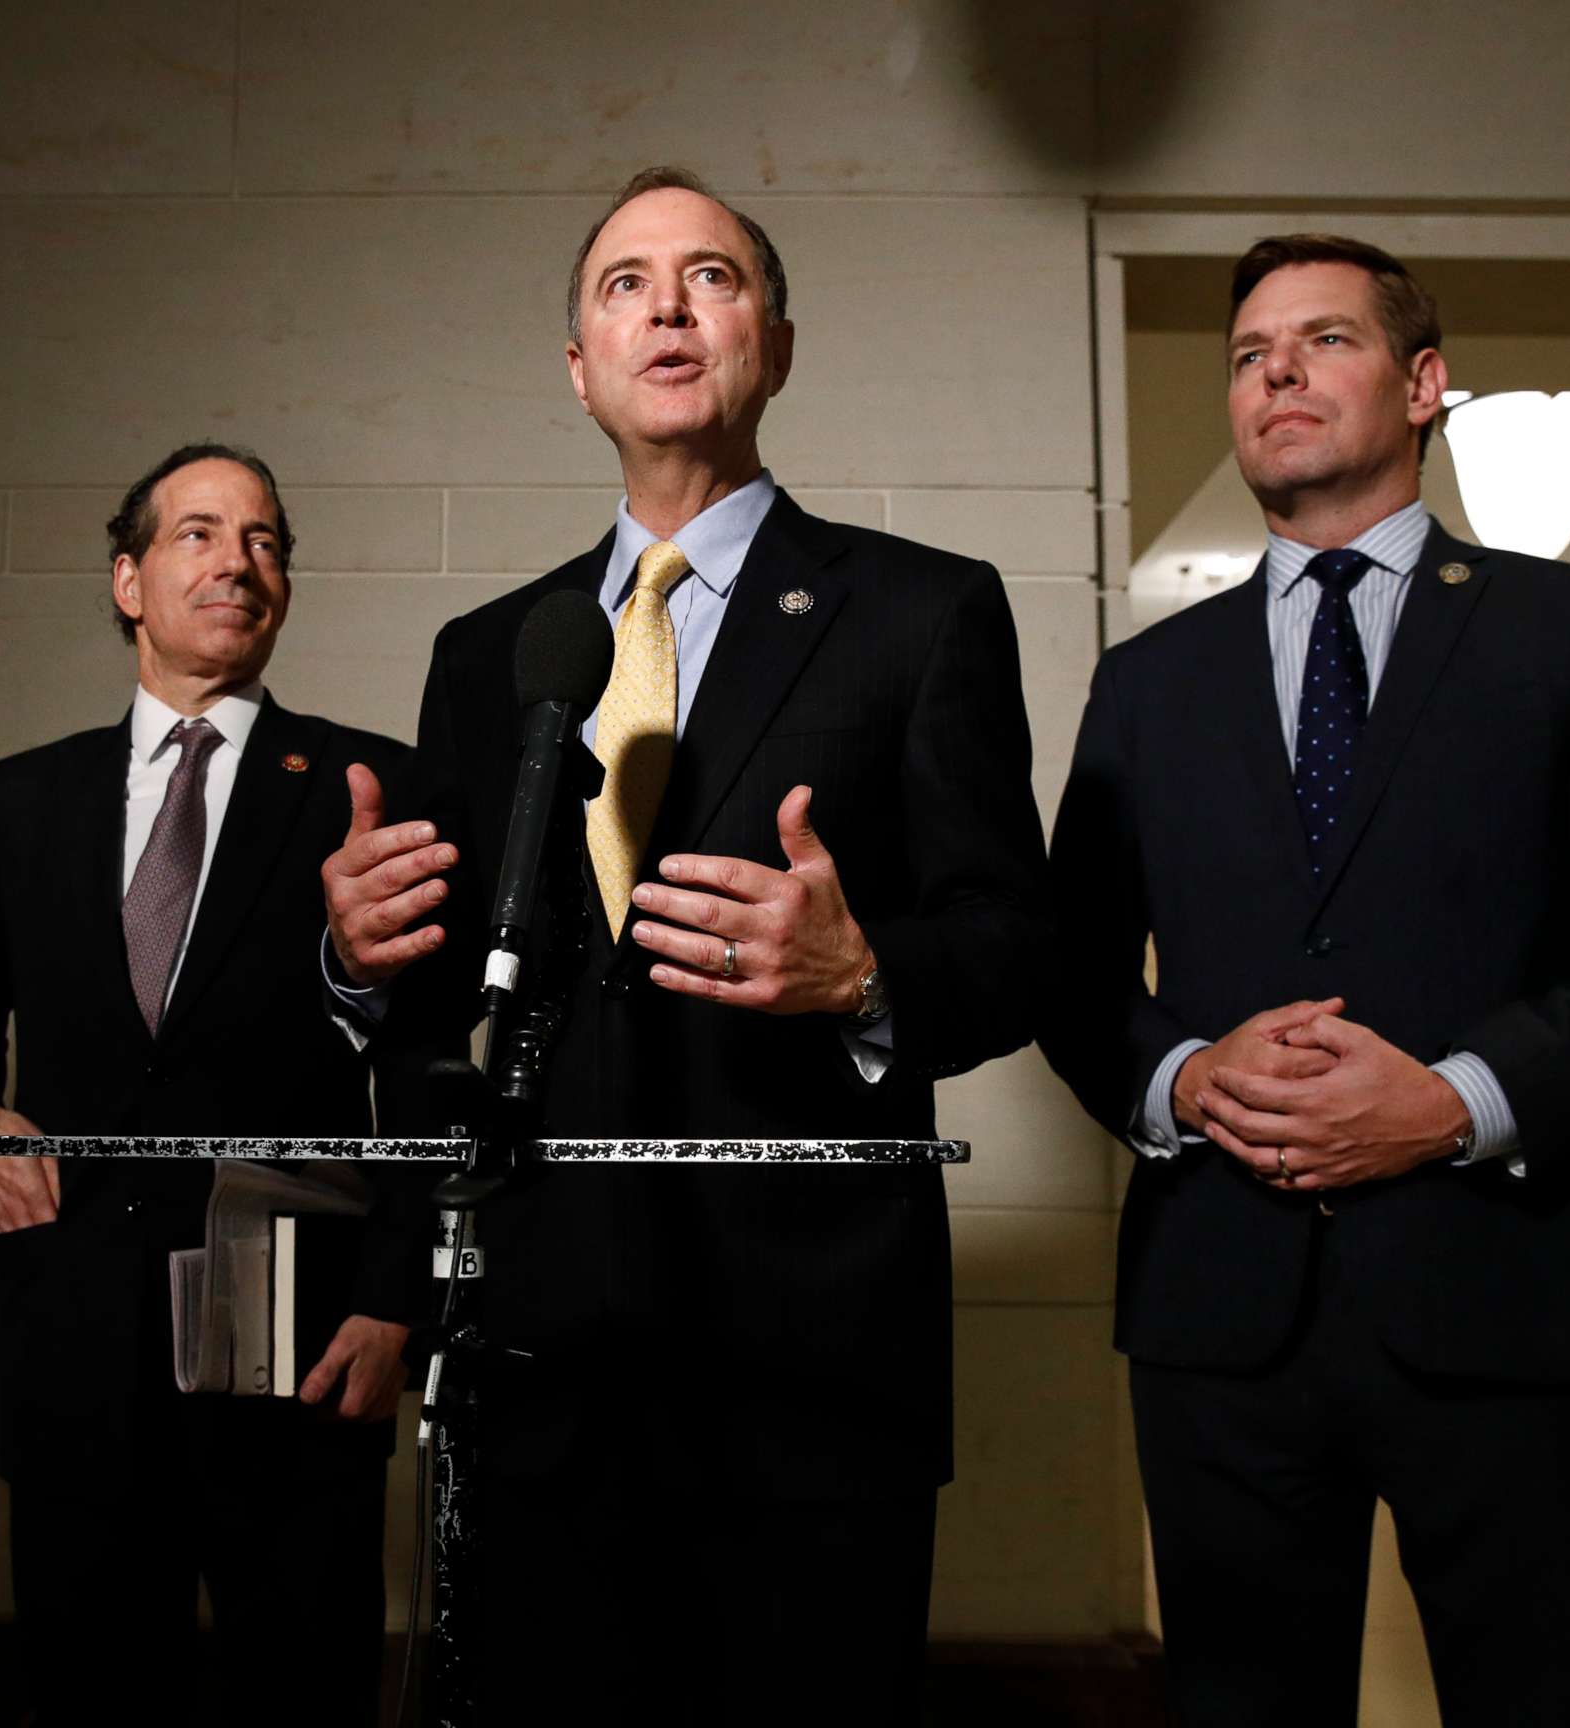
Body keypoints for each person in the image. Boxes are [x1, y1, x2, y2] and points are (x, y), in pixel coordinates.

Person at [320, 167, 1052, 1724]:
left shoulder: (922, 614)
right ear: (578, 369)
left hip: (808, 1368)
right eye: (622, 283)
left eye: (709, 277)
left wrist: (859, 977)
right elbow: (443, 1002)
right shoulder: (492, 654)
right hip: (537, 1354)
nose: (666, 304)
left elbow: (1014, 943)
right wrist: (359, 955)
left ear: (773, 345)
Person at [1039, 235, 1570, 1725]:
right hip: (1223, 1320)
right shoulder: (1148, 683)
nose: (1276, 371)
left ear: (1425, 385)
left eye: (1323, 340)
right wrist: (1184, 1077)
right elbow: (1073, 975)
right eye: (1247, 354)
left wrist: (1456, 1101)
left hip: (1516, 1309)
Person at [0, 444, 428, 1726]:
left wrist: (400, 1300)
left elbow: (425, 1064)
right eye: (197, 533)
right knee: (90, 1687)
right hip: (74, 1328)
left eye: (264, 540)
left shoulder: (367, 785)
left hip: (296, 1330)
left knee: (301, 1686)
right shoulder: (23, 798)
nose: (236, 562)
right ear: (127, 580)